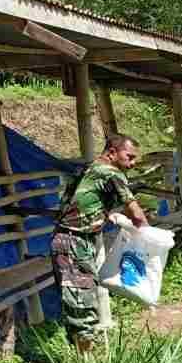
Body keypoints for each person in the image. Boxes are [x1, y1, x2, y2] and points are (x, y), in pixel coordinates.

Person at [51, 134, 148, 351]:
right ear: (112, 152)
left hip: (66, 239)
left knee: (77, 300)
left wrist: (105, 215)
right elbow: (136, 214)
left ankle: (81, 355)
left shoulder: (89, 169)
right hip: (74, 242)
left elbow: (80, 203)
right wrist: (150, 239)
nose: (132, 163)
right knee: (82, 303)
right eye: (129, 157)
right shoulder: (110, 172)